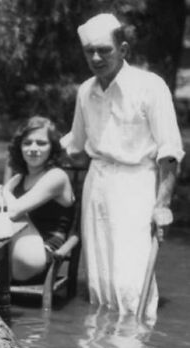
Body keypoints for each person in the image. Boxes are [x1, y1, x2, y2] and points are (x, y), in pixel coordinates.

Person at [65, 13, 185, 320]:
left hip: (137, 186)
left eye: (104, 50)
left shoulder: (149, 86)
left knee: (131, 279)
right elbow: (76, 149)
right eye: (89, 51)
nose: (96, 57)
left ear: (124, 50)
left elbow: (169, 150)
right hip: (97, 183)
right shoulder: (85, 91)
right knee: (100, 278)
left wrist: (163, 204)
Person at [3, 116, 75, 282]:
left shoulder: (56, 176)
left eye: (41, 143)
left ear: (52, 148)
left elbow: (13, 212)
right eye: (27, 143)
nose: (33, 148)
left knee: (15, 213)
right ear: (19, 147)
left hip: (41, 256)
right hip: (14, 249)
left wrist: (4, 191)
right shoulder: (20, 179)